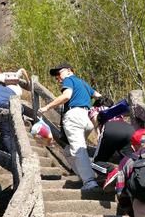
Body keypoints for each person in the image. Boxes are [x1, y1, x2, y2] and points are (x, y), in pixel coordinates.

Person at [39, 62, 101, 191]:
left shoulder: (69, 80)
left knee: (78, 149)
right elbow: (98, 96)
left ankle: (90, 181)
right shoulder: (83, 83)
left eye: (59, 73)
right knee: (68, 151)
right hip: (88, 118)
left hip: (74, 116)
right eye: (56, 77)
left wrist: (47, 107)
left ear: (68, 71)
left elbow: (66, 96)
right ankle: (89, 174)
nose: (58, 78)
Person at [89, 97, 136, 188]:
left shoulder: (94, 109)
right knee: (130, 161)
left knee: (95, 163)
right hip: (129, 129)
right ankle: (132, 182)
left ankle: (111, 171)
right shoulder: (116, 109)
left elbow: (95, 121)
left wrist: (98, 134)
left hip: (110, 129)